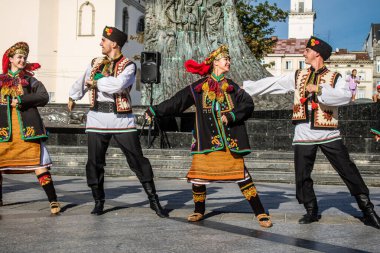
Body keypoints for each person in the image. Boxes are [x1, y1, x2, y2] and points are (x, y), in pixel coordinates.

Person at [243, 36, 380, 229]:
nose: (304, 53)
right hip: (303, 132)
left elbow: (345, 97)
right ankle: (311, 209)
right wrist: (244, 88)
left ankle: (367, 210)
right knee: (302, 174)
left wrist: (320, 89)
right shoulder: (298, 75)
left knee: (348, 170)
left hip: (329, 132)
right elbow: (274, 83)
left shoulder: (335, 77)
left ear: (317, 53)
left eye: (307, 50)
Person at [145, 45, 272, 228]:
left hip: (229, 141)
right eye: (224, 59)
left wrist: (231, 115)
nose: (228, 61)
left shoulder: (231, 87)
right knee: (199, 177)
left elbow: (248, 103)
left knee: (242, 175)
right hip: (205, 140)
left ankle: (260, 212)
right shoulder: (199, 87)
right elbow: (177, 102)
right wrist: (155, 110)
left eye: (228, 59)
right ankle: (199, 210)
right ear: (215, 63)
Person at [68, 26, 166, 217]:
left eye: (103, 40)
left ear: (114, 43)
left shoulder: (128, 65)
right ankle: (98, 201)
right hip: (97, 117)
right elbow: (83, 80)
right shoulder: (95, 62)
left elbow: (118, 85)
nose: (100, 43)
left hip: (121, 119)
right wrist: (73, 95)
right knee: (94, 162)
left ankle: (153, 200)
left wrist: (97, 82)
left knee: (137, 159)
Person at [0, 42, 60, 214]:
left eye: (24, 57)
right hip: (4, 130)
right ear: (10, 59)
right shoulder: (0, 80)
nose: (22, 60)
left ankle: (53, 200)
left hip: (27, 129)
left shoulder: (30, 80)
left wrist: (20, 100)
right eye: (19, 57)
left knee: (39, 164)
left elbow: (43, 96)